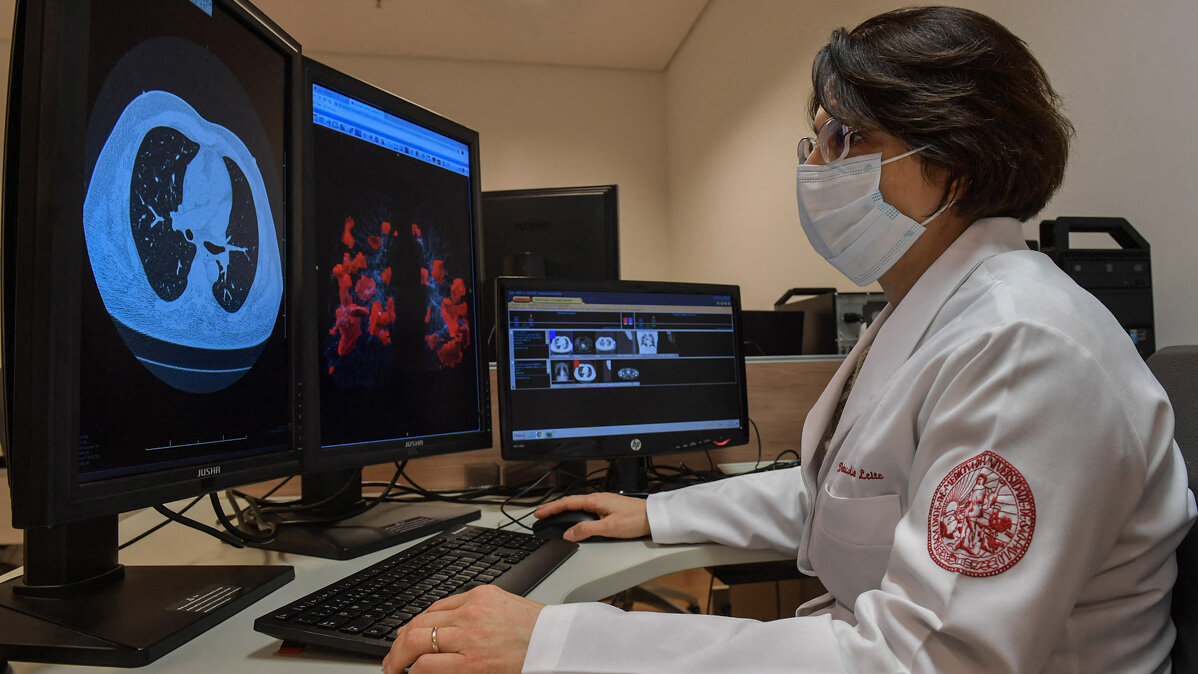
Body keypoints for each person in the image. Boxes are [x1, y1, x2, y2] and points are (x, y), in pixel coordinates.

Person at [383, 6, 1196, 673]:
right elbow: (841, 495)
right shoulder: (934, 313)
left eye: (846, 139)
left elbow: (924, 662)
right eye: (816, 142)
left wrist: (558, 641)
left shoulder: (1025, 350)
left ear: (954, 160)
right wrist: (657, 514)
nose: (816, 165)